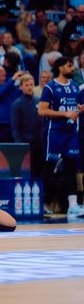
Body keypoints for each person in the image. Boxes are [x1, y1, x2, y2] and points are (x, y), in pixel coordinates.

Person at [38, 57, 84, 218]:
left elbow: (76, 108)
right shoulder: (50, 87)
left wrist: (79, 110)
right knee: (49, 167)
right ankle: (40, 203)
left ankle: (73, 205)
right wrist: (64, 114)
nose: (73, 68)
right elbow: (42, 110)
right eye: (69, 66)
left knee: (71, 166)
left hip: (71, 133)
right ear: (60, 68)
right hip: (55, 133)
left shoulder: (75, 87)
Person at [11, 74, 43, 177]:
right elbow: (15, 127)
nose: (29, 87)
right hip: (26, 142)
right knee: (29, 170)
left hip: (40, 142)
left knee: (41, 169)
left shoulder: (39, 100)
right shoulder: (17, 104)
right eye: (26, 85)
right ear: (21, 87)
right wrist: (19, 144)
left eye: (31, 84)